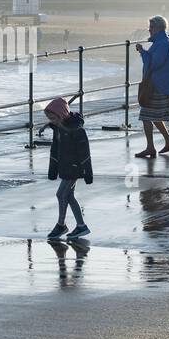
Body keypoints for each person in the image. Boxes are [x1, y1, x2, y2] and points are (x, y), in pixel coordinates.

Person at [44, 96, 93, 240]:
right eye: (50, 119)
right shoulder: (58, 129)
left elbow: (85, 153)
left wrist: (87, 172)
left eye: (53, 118)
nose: (52, 121)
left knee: (61, 194)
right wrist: (52, 170)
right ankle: (81, 226)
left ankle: (61, 225)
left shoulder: (76, 129)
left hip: (75, 168)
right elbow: (55, 150)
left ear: (62, 114)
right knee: (69, 196)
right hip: (65, 168)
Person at [134, 15, 169, 158]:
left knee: (146, 115)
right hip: (162, 84)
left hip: (160, 85)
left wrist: (142, 52)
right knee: (154, 115)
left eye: (151, 27)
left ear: (158, 28)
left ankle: (150, 147)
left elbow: (154, 64)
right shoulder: (163, 41)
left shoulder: (163, 43)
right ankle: (168, 141)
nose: (149, 30)